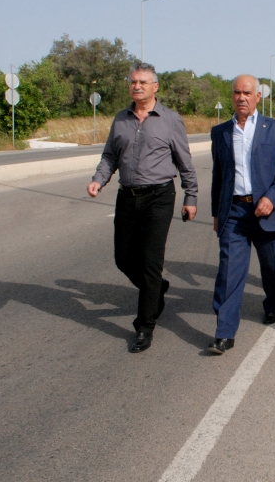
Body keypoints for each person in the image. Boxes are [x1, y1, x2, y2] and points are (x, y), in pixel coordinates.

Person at [87, 62, 198, 353]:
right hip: (127, 196)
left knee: (150, 262)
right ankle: (156, 287)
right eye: (133, 82)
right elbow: (110, 156)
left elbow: (184, 162)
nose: (136, 86)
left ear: (155, 87)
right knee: (123, 258)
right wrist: (99, 179)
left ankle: (144, 326)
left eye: (143, 82)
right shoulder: (120, 119)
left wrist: (191, 197)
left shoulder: (170, 120)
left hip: (159, 197)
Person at [208, 74, 275, 354]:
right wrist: (216, 214)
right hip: (234, 212)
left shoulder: (274, 128)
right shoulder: (220, 132)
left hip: (266, 212)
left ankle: (273, 303)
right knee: (229, 271)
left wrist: (271, 198)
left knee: (272, 267)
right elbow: (218, 176)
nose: (241, 98)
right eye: (237, 93)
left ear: (258, 96)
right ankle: (224, 332)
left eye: (247, 93)